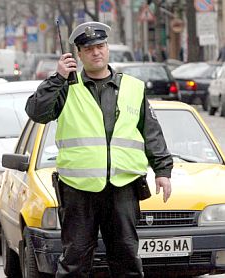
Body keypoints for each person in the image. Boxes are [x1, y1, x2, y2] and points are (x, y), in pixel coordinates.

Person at [25, 21, 173, 278]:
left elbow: (151, 132)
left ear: (108, 49)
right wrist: (58, 77)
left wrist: (163, 170)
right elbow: (36, 112)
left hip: (123, 186)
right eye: (89, 48)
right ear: (78, 54)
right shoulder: (66, 87)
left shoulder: (133, 88)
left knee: (126, 257)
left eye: (101, 46)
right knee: (74, 261)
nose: (96, 52)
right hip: (78, 189)